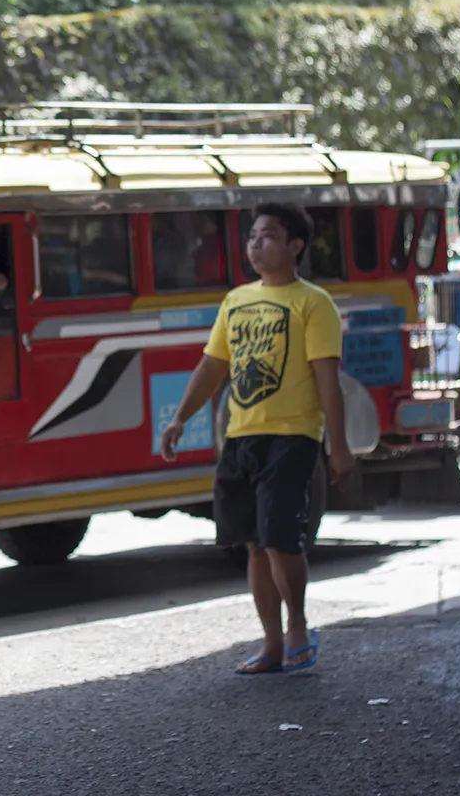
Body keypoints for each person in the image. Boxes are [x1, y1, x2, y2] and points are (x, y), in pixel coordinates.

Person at [158, 201, 354, 674]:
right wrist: (180, 418)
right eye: (252, 237)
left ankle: (298, 627)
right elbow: (213, 366)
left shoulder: (313, 303)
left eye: (267, 236)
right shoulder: (236, 301)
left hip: (292, 435)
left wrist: (339, 445)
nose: (255, 245)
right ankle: (270, 643)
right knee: (252, 542)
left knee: (281, 541)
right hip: (241, 435)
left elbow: (326, 376)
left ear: (295, 246)